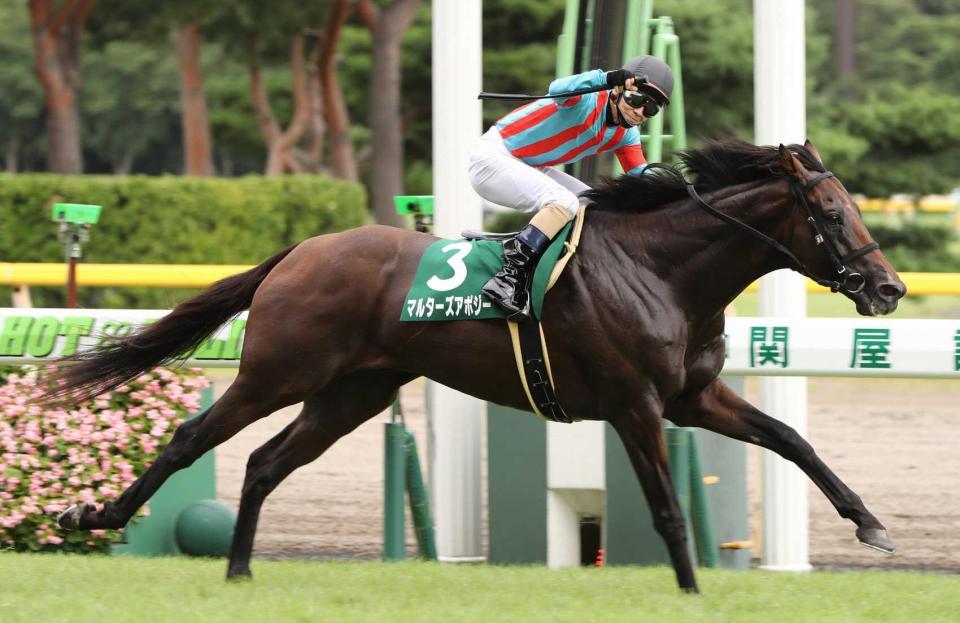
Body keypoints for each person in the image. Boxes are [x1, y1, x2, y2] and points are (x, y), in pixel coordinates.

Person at [469, 55, 674, 322]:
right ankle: (508, 278)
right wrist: (606, 77)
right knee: (564, 201)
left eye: (650, 109)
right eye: (636, 100)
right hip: (493, 157)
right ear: (617, 90)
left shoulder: (626, 135)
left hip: (527, 164)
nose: (639, 112)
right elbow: (557, 88)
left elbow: (641, 177)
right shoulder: (586, 100)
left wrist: (678, 189)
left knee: (593, 204)